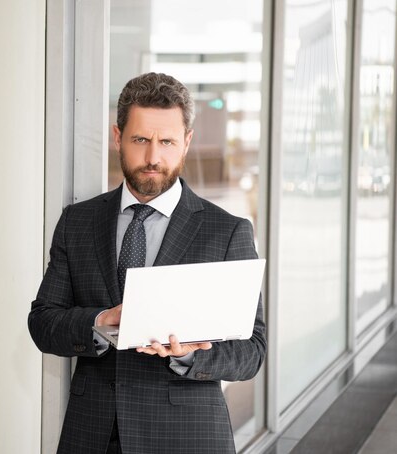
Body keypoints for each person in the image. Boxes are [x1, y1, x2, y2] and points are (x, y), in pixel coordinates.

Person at [28, 72, 266, 454]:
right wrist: (95, 322)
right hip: (92, 433)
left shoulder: (227, 231)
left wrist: (190, 352)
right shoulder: (77, 222)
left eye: (167, 141)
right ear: (118, 136)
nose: (153, 157)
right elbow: (42, 321)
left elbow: (252, 351)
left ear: (186, 142)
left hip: (186, 437)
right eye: (140, 140)